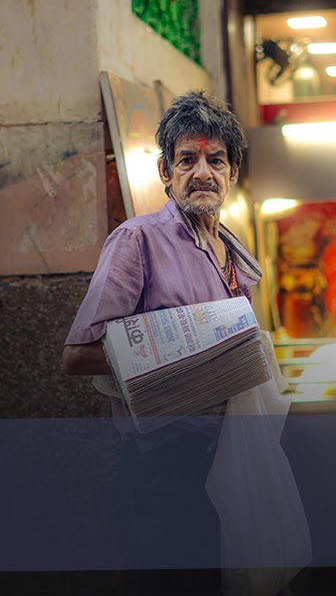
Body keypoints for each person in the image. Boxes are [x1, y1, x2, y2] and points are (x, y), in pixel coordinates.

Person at [62, 91, 263, 594]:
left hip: (225, 462)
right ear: (165, 172)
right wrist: (175, 355)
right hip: (162, 472)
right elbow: (76, 355)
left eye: (216, 160)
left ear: (233, 173)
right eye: (187, 160)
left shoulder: (232, 252)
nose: (203, 173)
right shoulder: (138, 241)